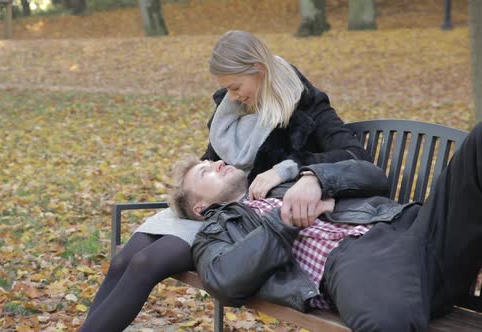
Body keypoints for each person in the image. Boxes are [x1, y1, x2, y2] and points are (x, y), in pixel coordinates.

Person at [80, 30, 369, 331]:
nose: (232, 96)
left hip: (247, 217)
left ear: (258, 69)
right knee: (123, 260)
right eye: (227, 89)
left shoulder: (305, 104)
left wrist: (286, 169)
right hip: (214, 201)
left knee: (145, 263)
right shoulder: (231, 106)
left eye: (236, 87)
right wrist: (193, 187)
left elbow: (354, 155)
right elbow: (212, 157)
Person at [169, 123, 482, 331]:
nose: (217, 163)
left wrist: (315, 179)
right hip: (362, 264)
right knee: (385, 322)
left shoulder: (277, 182)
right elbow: (225, 280)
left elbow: (374, 177)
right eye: (205, 171)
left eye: (211, 161)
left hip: (414, 227)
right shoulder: (215, 234)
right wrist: (284, 221)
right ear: (201, 207)